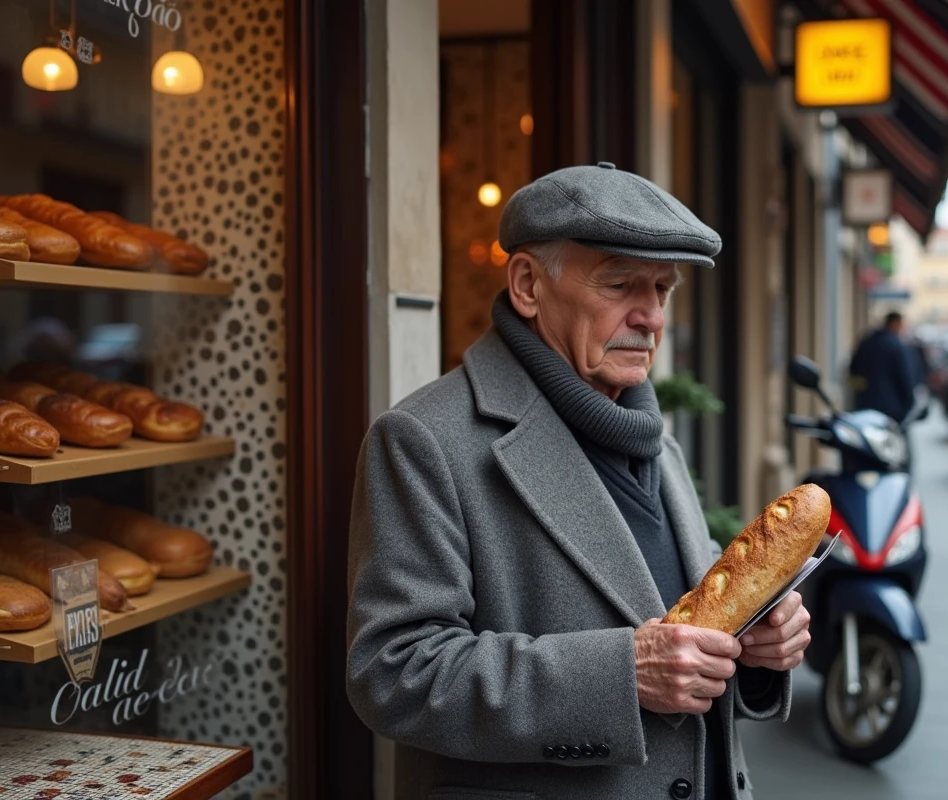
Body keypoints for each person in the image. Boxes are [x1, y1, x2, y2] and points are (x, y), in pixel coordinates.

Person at [346, 163, 810, 800]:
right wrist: (623, 675)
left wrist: (756, 648)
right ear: (529, 285)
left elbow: (678, 621)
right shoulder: (424, 439)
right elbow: (393, 674)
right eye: (620, 284)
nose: (650, 317)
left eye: (663, 290)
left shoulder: (653, 437)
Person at [848, 311, 916, 424]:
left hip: (865, 402)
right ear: (895, 323)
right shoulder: (894, 344)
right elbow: (903, 375)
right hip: (891, 406)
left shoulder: (866, 341)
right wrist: (909, 401)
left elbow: (853, 370)